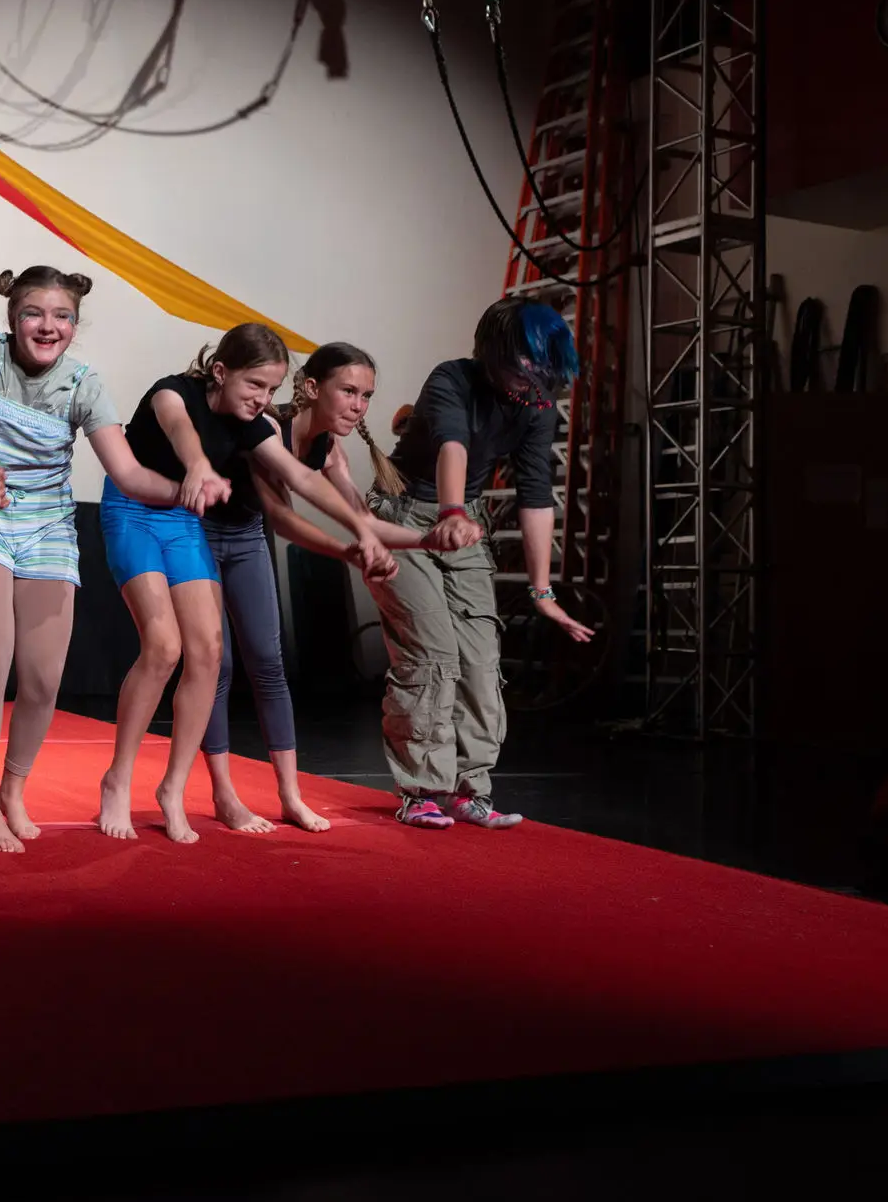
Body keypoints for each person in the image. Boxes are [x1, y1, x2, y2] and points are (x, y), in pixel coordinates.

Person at [97, 324, 396, 843]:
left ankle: (172, 787)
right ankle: (117, 781)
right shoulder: (174, 391)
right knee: (164, 647)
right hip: (135, 511)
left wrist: (362, 527)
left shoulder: (251, 422)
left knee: (210, 654)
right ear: (220, 372)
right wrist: (196, 469)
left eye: (272, 390)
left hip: (184, 519)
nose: (263, 400)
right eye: (255, 386)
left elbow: (302, 478)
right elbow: (181, 430)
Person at [0, 268, 165, 854]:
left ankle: (12, 790)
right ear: (12, 317)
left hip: (48, 526)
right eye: (34, 314)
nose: (47, 326)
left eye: (62, 317)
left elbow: (125, 472)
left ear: (74, 325)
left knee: (44, 677)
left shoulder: (84, 384)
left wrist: (185, 489)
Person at [372, 297, 594, 830]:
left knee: (479, 658)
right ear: (495, 355)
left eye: (542, 376)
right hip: (405, 515)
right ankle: (423, 790)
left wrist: (544, 593)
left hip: (465, 524)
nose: (533, 386)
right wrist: (448, 512)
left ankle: (470, 789)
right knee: (433, 652)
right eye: (524, 371)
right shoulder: (453, 378)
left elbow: (536, 493)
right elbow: (455, 447)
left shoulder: (539, 404)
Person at [196, 341, 424, 833]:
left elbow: (362, 520)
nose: (358, 405)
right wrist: (351, 551)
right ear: (313, 388)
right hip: (198, 534)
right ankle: (223, 794)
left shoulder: (331, 449)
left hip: (243, 538)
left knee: (269, 662)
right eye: (348, 391)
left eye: (366, 396)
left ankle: (290, 795)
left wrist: (427, 541)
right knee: (217, 664)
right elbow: (283, 518)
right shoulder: (268, 427)